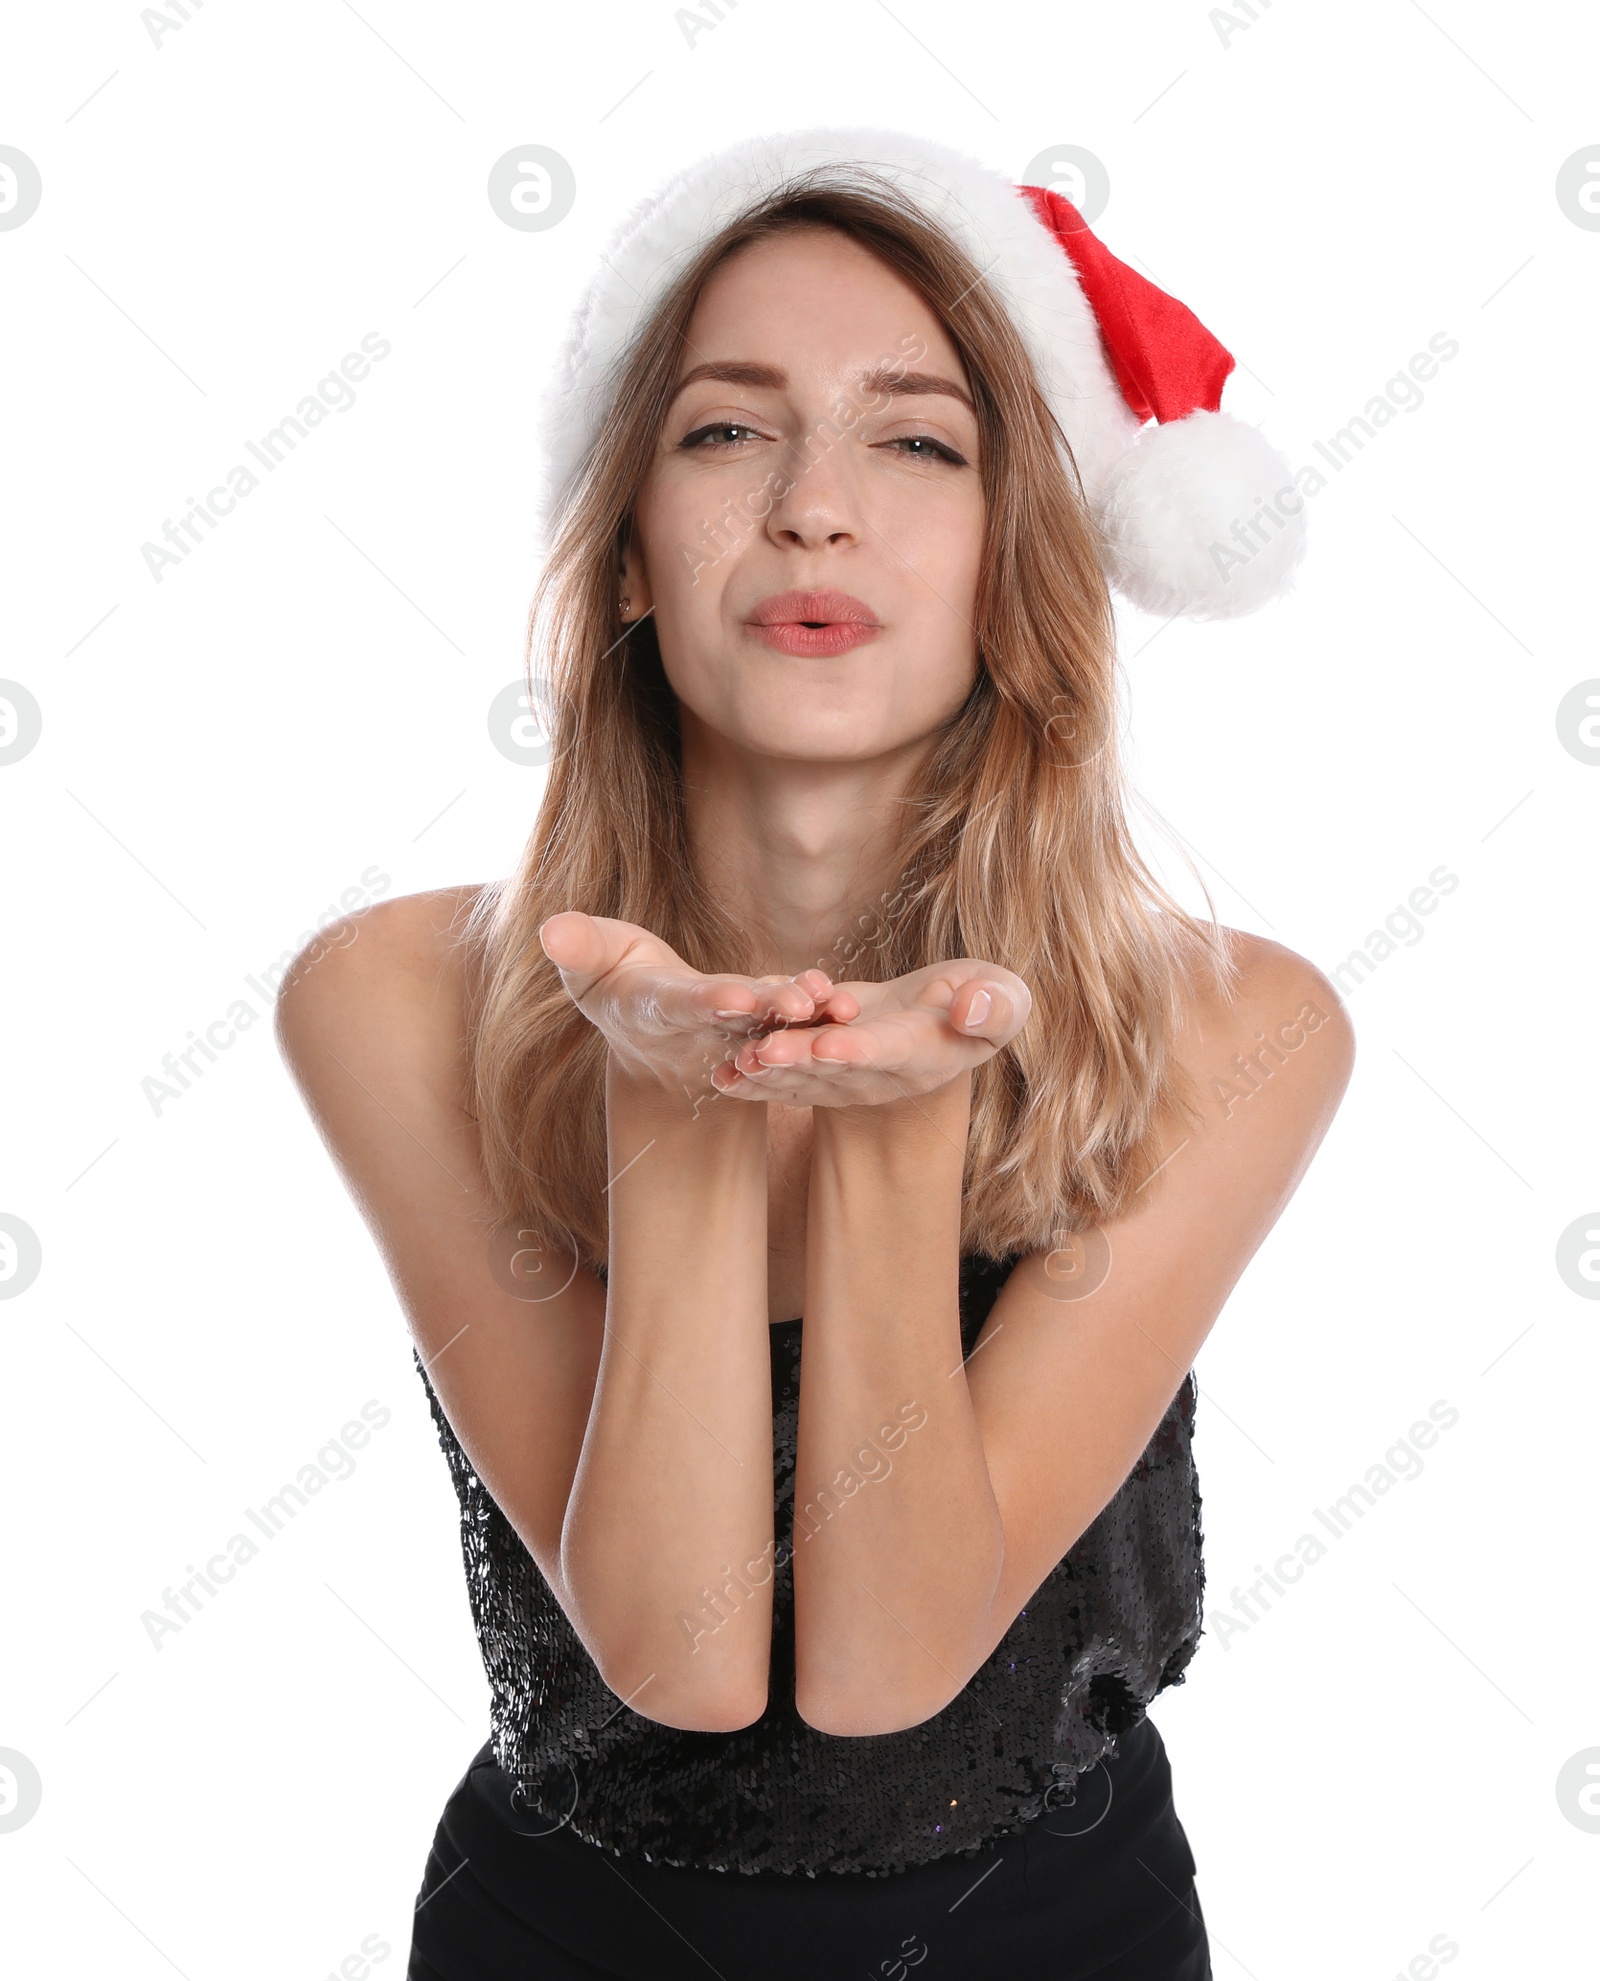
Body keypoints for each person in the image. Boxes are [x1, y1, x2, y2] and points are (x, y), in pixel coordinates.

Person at [275, 128, 1352, 1980]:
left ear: (1022, 571)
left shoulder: (1233, 1029)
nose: (815, 507)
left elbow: (886, 1669)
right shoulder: (394, 994)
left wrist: (898, 1115)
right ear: (622, 555)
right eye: (725, 429)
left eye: (917, 439)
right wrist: (664, 1093)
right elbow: (680, 1654)